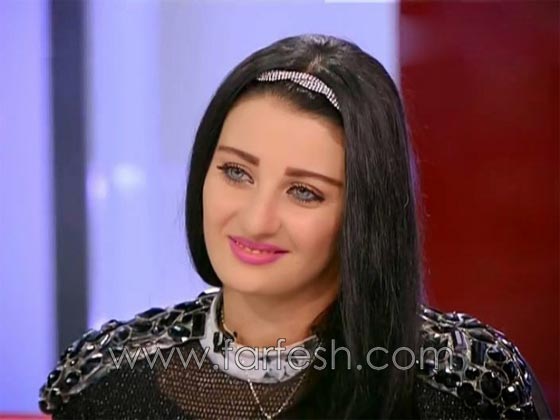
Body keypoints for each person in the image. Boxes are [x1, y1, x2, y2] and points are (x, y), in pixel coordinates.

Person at [39, 34, 551, 419]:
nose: (256, 219)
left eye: (304, 191)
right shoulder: (107, 382)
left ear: (364, 214)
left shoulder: (464, 385)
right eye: (236, 172)